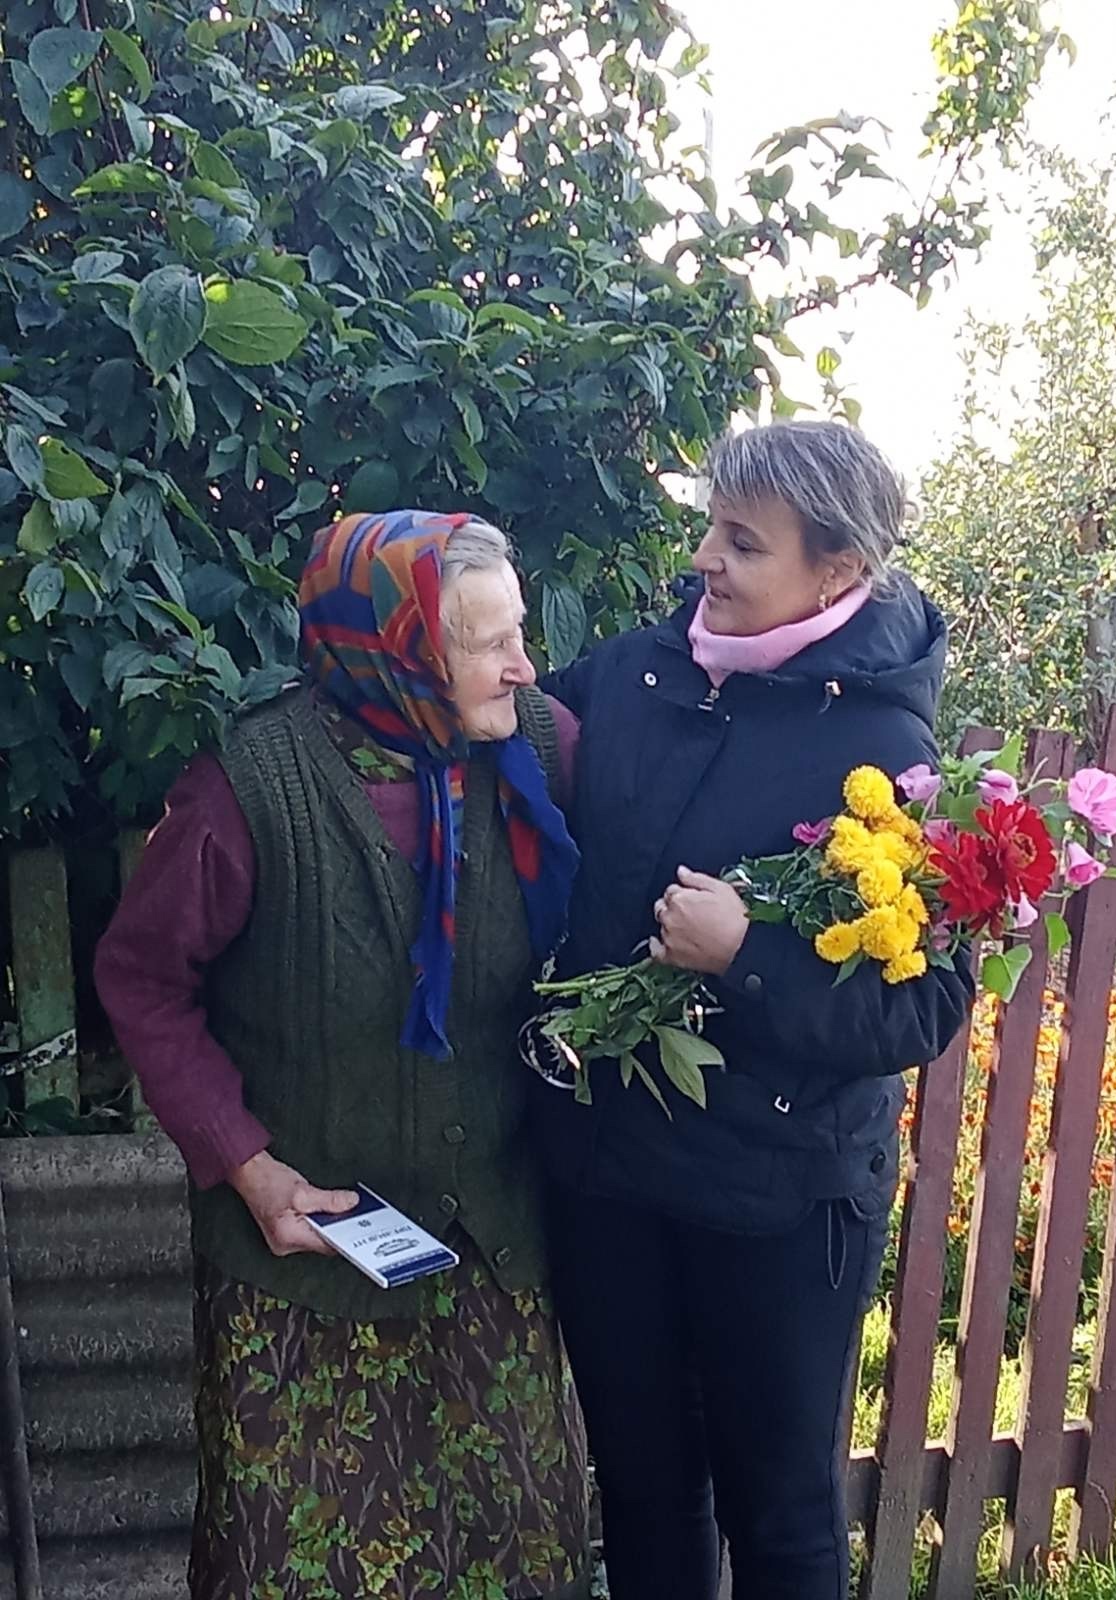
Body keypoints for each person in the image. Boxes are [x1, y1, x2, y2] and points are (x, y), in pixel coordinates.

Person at [96, 509, 591, 1600]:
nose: (524, 665)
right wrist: (247, 1167)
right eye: (488, 644)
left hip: (494, 1257)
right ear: (398, 649)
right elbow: (142, 978)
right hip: (302, 1270)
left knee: (512, 1556)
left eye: (519, 633)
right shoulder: (250, 788)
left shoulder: (544, 748)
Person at [533, 422, 974, 1600]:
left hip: (775, 1194)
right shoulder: (636, 672)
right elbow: (506, 740)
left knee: (777, 1514)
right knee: (642, 1491)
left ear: (837, 571)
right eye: (711, 529)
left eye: (742, 541)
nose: (705, 561)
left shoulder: (885, 748)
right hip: (609, 1170)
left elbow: (923, 1005)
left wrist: (748, 954)